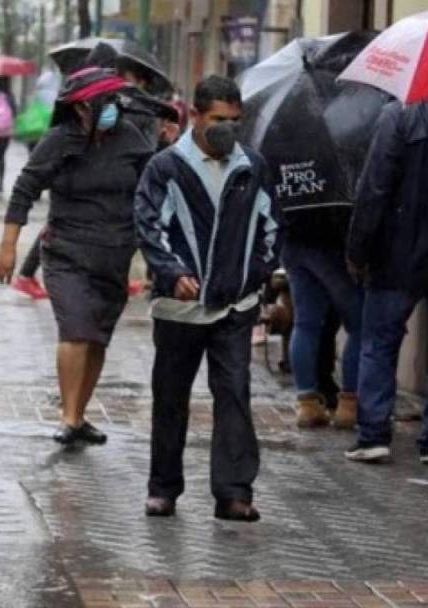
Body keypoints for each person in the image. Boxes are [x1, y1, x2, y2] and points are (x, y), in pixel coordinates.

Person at [135, 76, 280, 522]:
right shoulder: (166, 167)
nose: (228, 129)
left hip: (233, 308)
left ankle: (234, 492)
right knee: (171, 396)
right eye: (219, 119)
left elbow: (271, 231)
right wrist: (174, 273)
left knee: (234, 393)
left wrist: (251, 279)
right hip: (180, 309)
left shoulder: (252, 167)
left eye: (236, 121)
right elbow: (149, 226)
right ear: (195, 116)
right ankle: (163, 488)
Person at [0, 66, 152, 445]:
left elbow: (153, 187)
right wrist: (8, 245)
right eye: (105, 102)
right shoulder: (59, 141)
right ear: (82, 108)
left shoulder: (130, 138)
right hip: (67, 252)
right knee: (76, 329)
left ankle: (79, 417)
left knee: (97, 338)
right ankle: (67, 416)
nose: (113, 108)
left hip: (115, 254)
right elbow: (24, 189)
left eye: (116, 100)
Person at [344, 98, 428, 464]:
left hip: (396, 253)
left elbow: (374, 186)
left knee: (379, 342)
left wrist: (357, 250)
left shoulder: (395, 116)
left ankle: (373, 433)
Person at [281, 207, 363, 430]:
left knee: (305, 324)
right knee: (359, 326)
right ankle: (349, 404)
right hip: (333, 240)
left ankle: (307, 404)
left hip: (293, 239)